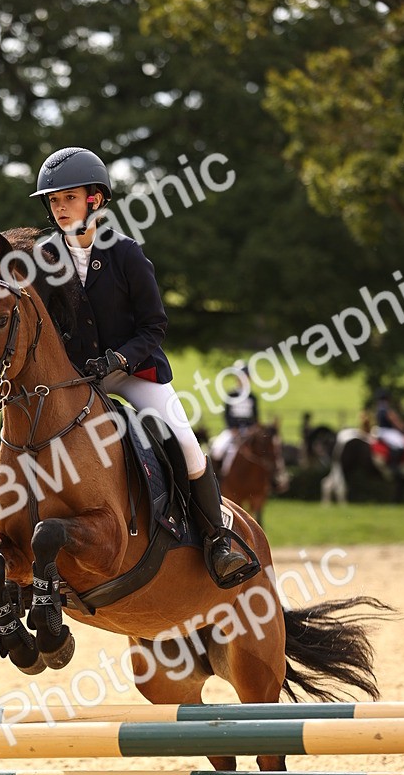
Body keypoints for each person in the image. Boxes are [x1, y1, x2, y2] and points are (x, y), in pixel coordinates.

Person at [30, 147, 255, 587]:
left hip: (132, 371)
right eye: (54, 201)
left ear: (95, 199)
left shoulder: (126, 253)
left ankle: (217, 540)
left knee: (186, 443)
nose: (59, 208)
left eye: (69, 198)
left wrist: (120, 358)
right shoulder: (45, 258)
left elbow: (155, 325)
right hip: (77, 377)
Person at [209, 363, 259, 477]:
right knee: (217, 450)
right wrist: (233, 429)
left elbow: (255, 417)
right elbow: (227, 415)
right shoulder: (231, 395)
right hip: (232, 431)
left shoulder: (253, 397)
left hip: (248, 433)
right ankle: (216, 477)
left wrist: (251, 429)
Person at [374, 389, 404, 469]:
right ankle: (394, 465)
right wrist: (403, 428)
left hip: (380, 430)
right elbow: (395, 421)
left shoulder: (378, 408)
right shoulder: (387, 409)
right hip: (388, 431)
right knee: (400, 445)